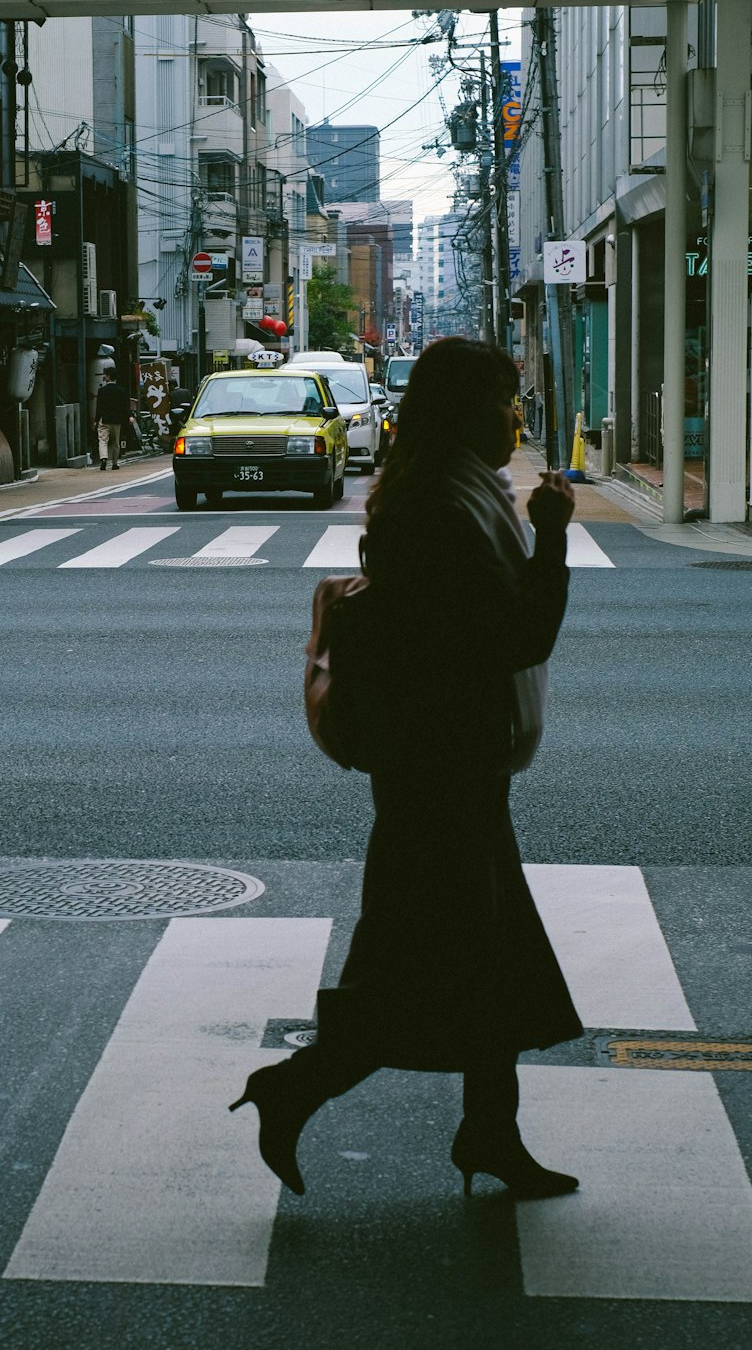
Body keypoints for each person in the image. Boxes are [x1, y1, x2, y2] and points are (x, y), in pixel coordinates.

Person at [231, 337, 583, 1200]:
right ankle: (298, 1088)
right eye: (506, 402)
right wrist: (550, 541)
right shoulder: (440, 505)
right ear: (468, 411)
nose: (516, 418)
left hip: (447, 763)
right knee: (433, 960)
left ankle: (489, 1133)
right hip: (440, 770)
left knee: (478, 954)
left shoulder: (443, 490)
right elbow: (514, 636)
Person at [94, 367, 130, 471]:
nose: (104, 376)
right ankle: (114, 463)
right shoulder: (121, 390)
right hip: (117, 420)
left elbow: (99, 407)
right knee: (116, 442)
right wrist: (128, 416)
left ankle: (104, 459)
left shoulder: (101, 391)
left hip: (104, 419)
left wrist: (96, 420)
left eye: (105, 375)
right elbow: (124, 406)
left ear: (108, 376)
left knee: (103, 440)